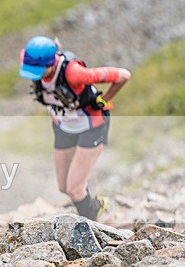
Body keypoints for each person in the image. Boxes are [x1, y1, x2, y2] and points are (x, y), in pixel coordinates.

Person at [20, 35, 130, 220]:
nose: (34, 75)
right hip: (63, 127)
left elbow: (123, 75)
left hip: (91, 126)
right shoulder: (29, 57)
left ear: (51, 64)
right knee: (64, 186)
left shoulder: (74, 73)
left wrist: (103, 100)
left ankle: (92, 222)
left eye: (38, 71)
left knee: (74, 189)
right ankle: (89, 195)